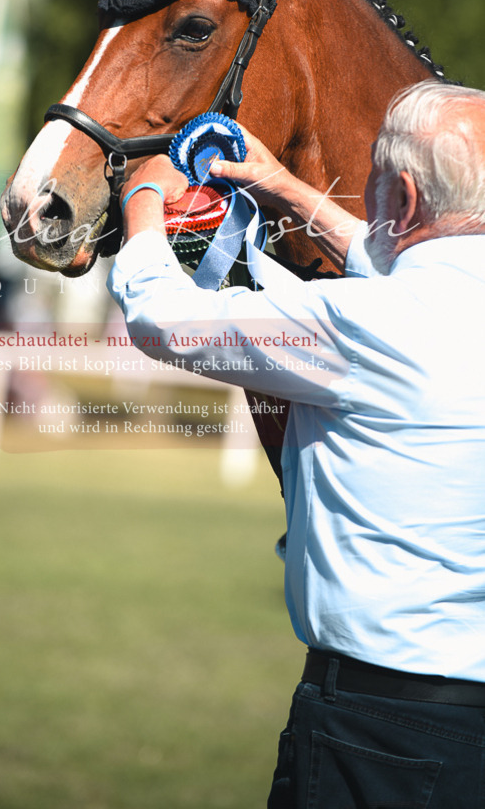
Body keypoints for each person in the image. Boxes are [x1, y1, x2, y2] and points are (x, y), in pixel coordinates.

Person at [106, 79, 485, 808]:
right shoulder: (418, 306)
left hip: (380, 732)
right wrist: (283, 187)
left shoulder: (361, 325)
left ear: (401, 197)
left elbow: (164, 320)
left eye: (372, 180)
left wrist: (144, 200)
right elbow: (409, 269)